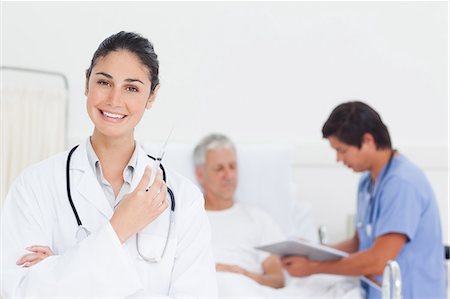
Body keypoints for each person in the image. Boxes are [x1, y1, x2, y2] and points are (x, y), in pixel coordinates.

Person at [0, 31, 218, 298]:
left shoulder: (183, 199)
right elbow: (19, 291)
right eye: (104, 82)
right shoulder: (34, 185)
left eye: (132, 88)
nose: (114, 100)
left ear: (152, 96)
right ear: (86, 82)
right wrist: (120, 227)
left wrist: (59, 269)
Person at [281, 101, 446, 299]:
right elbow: (359, 242)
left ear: (367, 140)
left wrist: (314, 267)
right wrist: (313, 251)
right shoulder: (367, 181)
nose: (338, 159)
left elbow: (378, 260)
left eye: (341, 150)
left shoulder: (403, 183)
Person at [193, 134, 286, 294]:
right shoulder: (188, 219)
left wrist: (244, 275)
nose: (229, 176)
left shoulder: (258, 219)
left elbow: (278, 280)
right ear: (201, 175)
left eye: (232, 166)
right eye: (219, 168)